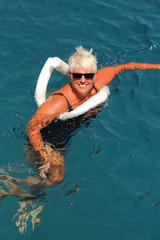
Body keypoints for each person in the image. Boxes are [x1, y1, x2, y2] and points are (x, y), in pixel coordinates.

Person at [27, 46, 160, 183]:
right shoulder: (58, 102)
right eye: (77, 76)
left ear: (95, 75)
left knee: (53, 180)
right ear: (70, 75)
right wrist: (44, 158)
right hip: (47, 138)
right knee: (55, 179)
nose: (83, 80)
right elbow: (32, 128)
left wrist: (156, 66)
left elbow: (125, 67)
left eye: (88, 76)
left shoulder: (100, 80)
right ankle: (11, 186)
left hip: (66, 133)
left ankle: (16, 189)